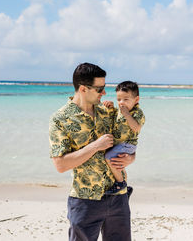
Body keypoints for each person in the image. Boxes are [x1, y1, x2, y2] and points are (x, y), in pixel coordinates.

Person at [49, 62, 135, 241]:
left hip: (118, 196)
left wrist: (131, 158)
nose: (104, 93)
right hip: (85, 200)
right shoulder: (60, 119)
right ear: (82, 88)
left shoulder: (108, 112)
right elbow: (60, 164)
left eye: (104, 88)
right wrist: (95, 146)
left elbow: (127, 141)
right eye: (99, 89)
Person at [103, 81, 145, 195]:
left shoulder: (137, 113)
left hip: (128, 144)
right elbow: (113, 118)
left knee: (109, 158)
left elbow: (136, 128)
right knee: (119, 166)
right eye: (119, 99)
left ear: (136, 100)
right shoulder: (120, 111)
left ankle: (120, 183)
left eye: (126, 99)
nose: (121, 103)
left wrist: (127, 114)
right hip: (120, 144)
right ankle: (126, 188)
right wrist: (110, 107)